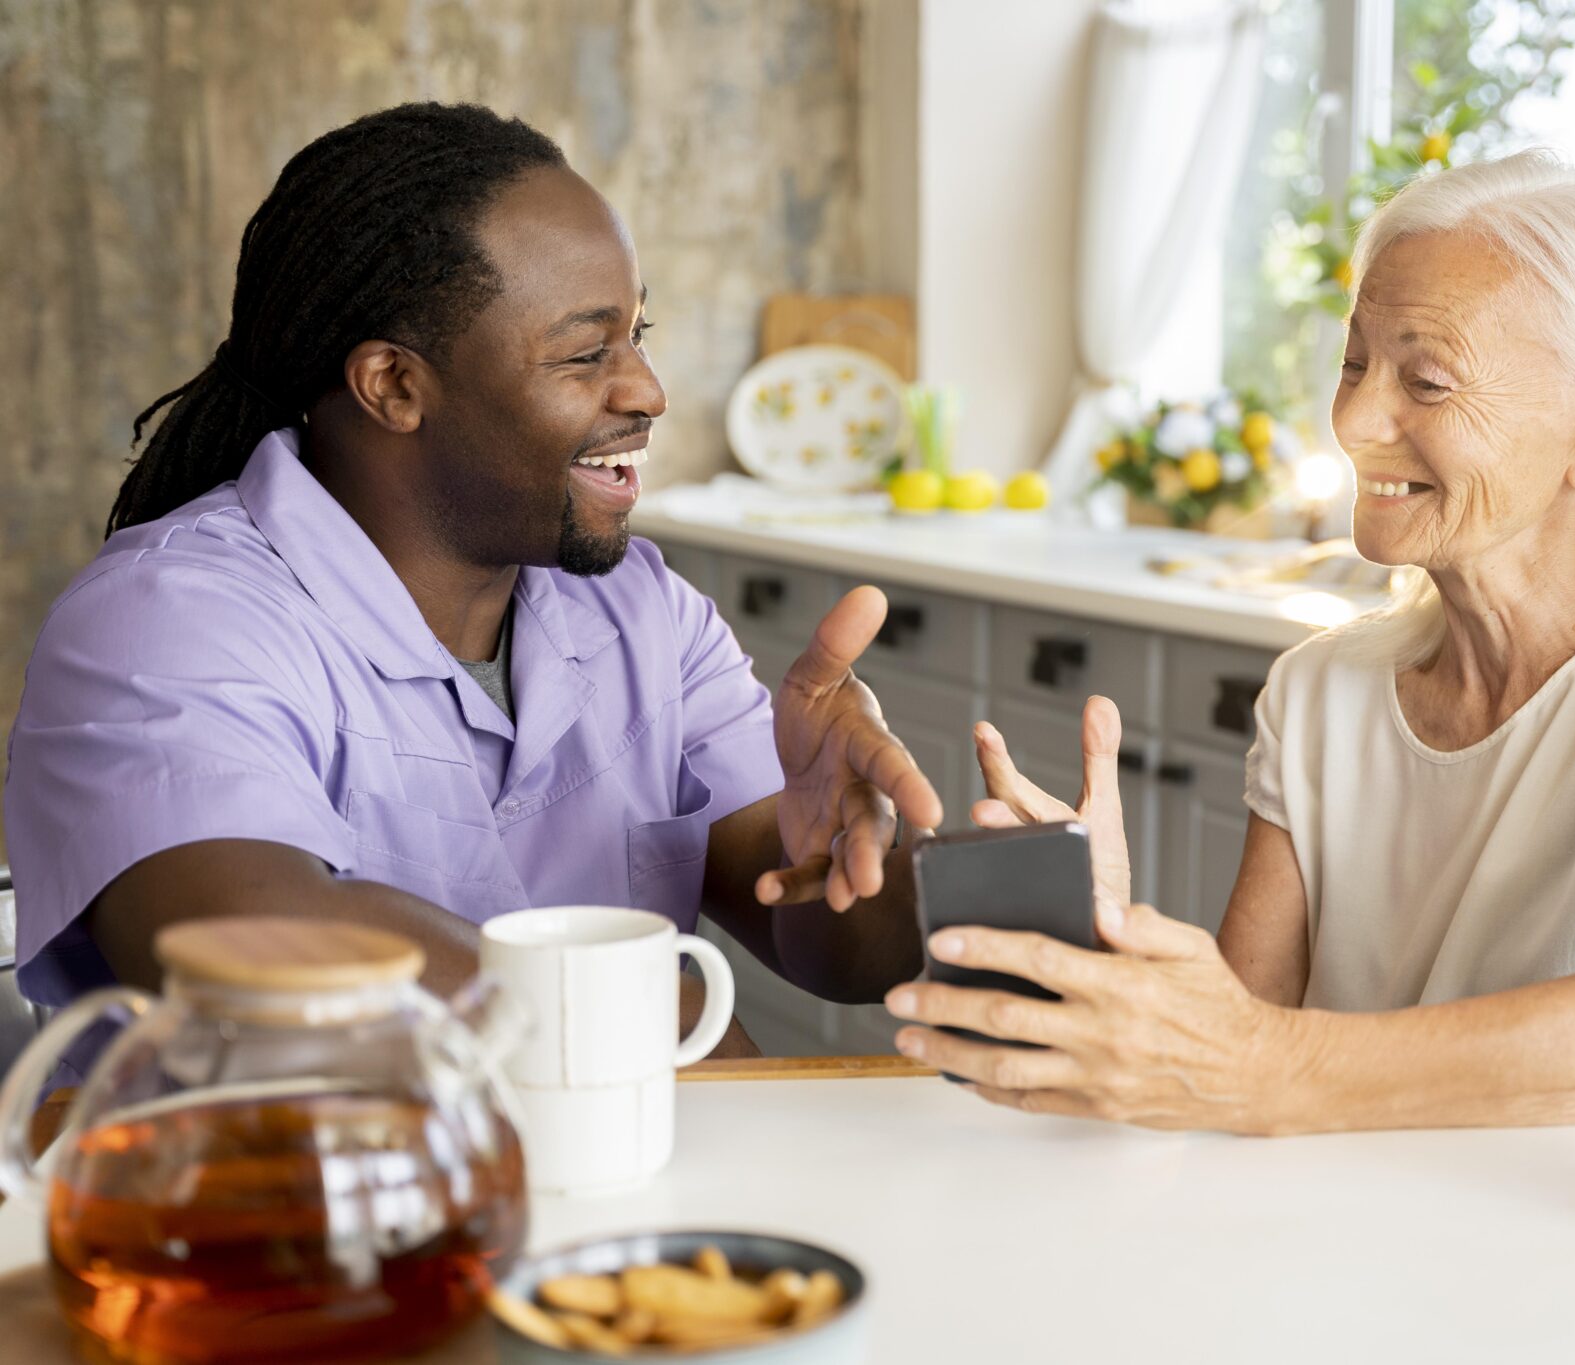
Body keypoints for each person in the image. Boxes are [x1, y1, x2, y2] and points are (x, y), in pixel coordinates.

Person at [883, 152, 1575, 1133]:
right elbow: (1231, 1062)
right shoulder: (1319, 690)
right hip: (1330, 1247)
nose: (1351, 420)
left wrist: (1273, 1066)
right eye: (1352, 364)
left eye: (1424, 381)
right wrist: (1117, 956)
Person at [4, 104, 939, 1070]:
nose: (649, 390)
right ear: (394, 386)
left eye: (638, 334)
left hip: (613, 1203)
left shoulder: (642, 614)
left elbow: (812, 932)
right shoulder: (166, 623)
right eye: (586, 354)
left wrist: (912, 870)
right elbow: (244, 952)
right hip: (272, 1210)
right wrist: (642, 1012)